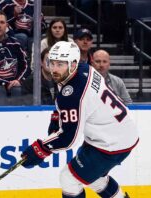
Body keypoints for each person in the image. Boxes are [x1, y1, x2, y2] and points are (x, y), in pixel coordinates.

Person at [21, 41, 138, 198]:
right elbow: (66, 96)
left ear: (73, 63)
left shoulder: (74, 94)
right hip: (119, 131)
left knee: (68, 178)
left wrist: (40, 149)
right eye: (52, 63)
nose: (54, 69)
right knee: (93, 178)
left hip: (111, 142)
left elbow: (69, 138)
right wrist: (58, 116)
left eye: (60, 64)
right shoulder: (83, 68)